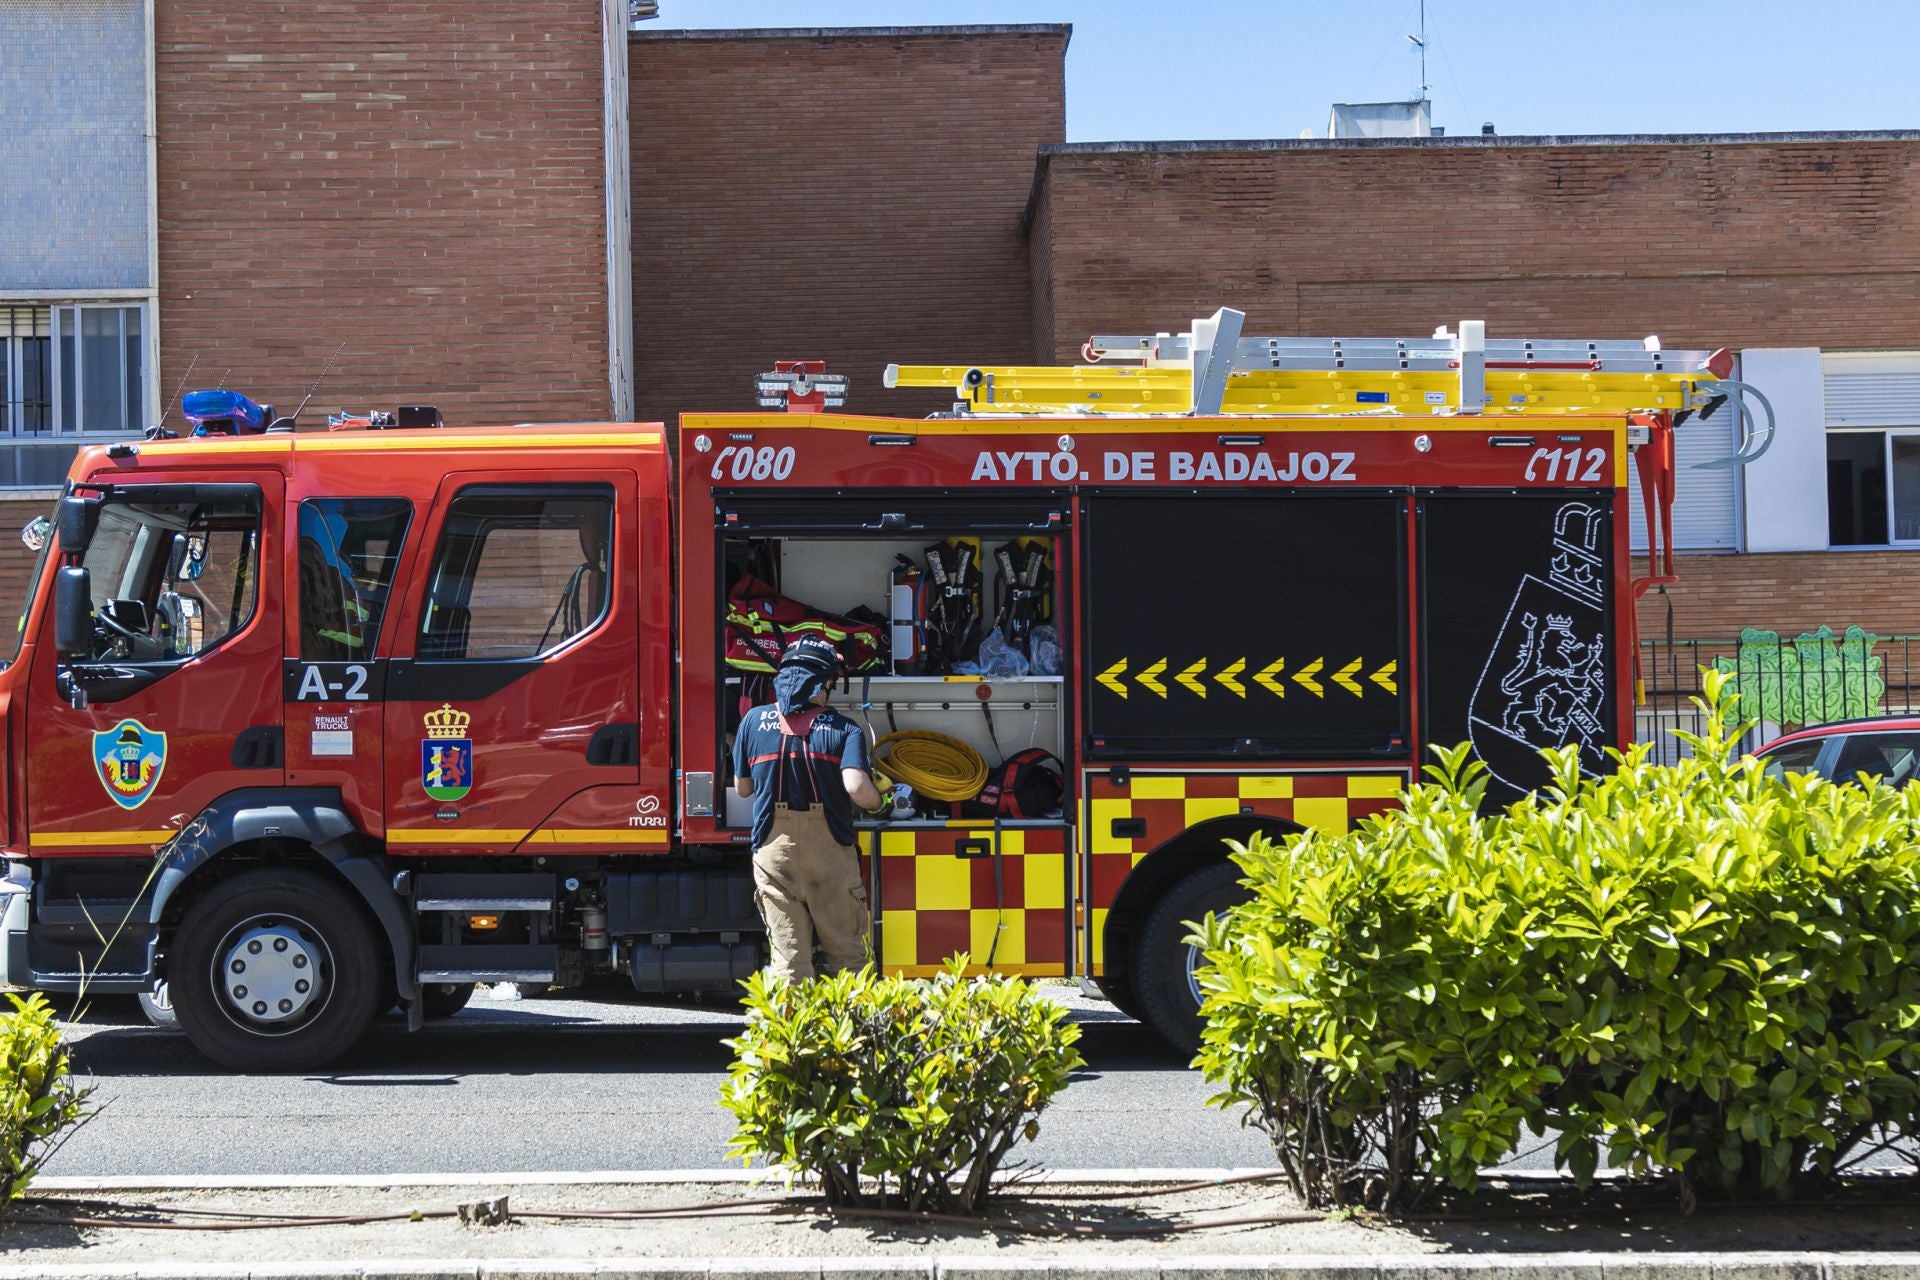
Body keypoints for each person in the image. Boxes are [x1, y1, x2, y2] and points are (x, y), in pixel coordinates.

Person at [732, 635, 884, 980]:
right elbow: (857, 788)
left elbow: (743, 790)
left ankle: (793, 1033)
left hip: (774, 853)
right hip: (829, 854)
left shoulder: (752, 722)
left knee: (789, 963)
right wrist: (881, 801)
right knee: (850, 957)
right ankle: (856, 1032)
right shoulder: (844, 729)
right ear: (824, 683)